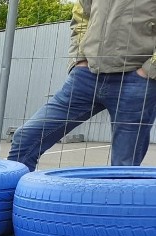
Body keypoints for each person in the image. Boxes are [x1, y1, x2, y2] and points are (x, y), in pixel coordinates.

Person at [8, 0, 156, 171]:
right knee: (26, 138)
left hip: (136, 81)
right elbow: (81, 15)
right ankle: (11, 197)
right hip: (87, 76)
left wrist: (149, 71)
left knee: (124, 167)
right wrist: (79, 59)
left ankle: (119, 197)